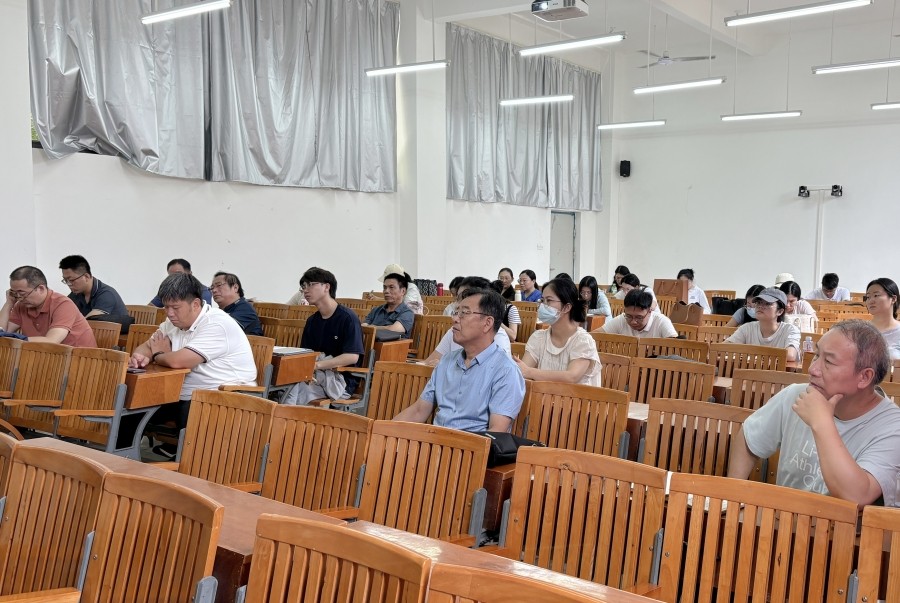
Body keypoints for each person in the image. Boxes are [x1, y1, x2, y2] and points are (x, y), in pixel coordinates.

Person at [728, 320, 900, 506]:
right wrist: (732, 498)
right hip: (784, 519)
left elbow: (857, 496)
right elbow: (749, 438)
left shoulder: (892, 427)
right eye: (817, 355)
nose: (812, 369)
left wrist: (822, 422)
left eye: (828, 361)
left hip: (843, 525)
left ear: (864, 377)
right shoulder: (797, 395)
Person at [130, 273, 256, 455]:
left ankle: (189, 462)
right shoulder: (172, 322)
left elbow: (179, 362)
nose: (169, 313)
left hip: (225, 397)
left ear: (195, 304)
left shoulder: (217, 323)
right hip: (183, 393)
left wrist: (158, 354)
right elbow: (149, 345)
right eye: (166, 307)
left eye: (175, 307)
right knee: (134, 404)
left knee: (192, 408)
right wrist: (139, 356)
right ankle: (122, 458)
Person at [393, 288, 525, 433]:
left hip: (474, 444)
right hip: (435, 441)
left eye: (464, 313)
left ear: (487, 323)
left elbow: (497, 431)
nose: (455, 319)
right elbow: (418, 411)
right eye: (456, 312)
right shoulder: (447, 360)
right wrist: (382, 432)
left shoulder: (506, 371)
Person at [283, 267, 365, 405]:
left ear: (327, 287)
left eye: (310, 284)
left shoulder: (347, 318)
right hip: (315, 375)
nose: (305, 290)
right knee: (284, 385)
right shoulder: (312, 321)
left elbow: (352, 356)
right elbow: (307, 353)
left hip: (340, 380)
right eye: (304, 286)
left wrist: (317, 365)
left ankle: (286, 416)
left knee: (295, 390)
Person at [516, 278, 601, 386]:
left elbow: (571, 377)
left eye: (549, 300)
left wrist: (530, 372)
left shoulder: (583, 341)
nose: (542, 306)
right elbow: (522, 372)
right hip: (546, 395)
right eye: (542, 300)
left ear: (566, 307)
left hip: (575, 396)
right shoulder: (538, 337)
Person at [1, 266, 97, 347]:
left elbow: (52, 341)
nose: (19, 298)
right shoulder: (21, 305)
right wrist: (8, 304)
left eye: (22, 293)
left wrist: (19, 338)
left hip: (81, 359)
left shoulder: (63, 304)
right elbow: (2, 332)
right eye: (14, 293)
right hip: (47, 356)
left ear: (41, 288)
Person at [425, 277, 511, 365]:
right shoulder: (454, 331)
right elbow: (428, 363)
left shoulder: (497, 337)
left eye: (462, 297)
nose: (457, 304)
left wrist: (447, 366)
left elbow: (494, 369)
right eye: (457, 298)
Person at [724, 288, 800, 362]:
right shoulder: (746, 328)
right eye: (759, 302)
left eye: (767, 304)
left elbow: (790, 355)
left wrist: (752, 353)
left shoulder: (790, 330)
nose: (760, 306)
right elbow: (723, 348)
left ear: (780, 311)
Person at [58, 255, 128, 318]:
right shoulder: (75, 294)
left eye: (71, 280)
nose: (69, 284)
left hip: (109, 329)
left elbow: (89, 322)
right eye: (65, 280)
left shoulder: (107, 294)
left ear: (86, 276)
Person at [599, 289, 678, 338]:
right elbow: (595, 335)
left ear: (649, 312)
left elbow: (675, 347)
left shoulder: (661, 321)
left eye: (639, 317)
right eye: (629, 316)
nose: (633, 322)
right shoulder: (622, 319)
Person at [362, 272, 414, 339]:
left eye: (391, 287)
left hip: (393, 345)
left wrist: (371, 327)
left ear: (403, 291)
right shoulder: (376, 310)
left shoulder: (407, 313)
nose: (386, 291)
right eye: (385, 287)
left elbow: (394, 329)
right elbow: (363, 326)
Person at [209, 271, 263, 336]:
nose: (214, 290)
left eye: (219, 285)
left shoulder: (245, 308)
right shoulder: (221, 310)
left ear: (235, 288)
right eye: (212, 288)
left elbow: (223, 329)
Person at [864, 277, 900, 359]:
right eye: (868, 297)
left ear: (893, 299)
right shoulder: (860, 331)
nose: (871, 301)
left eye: (876, 295)